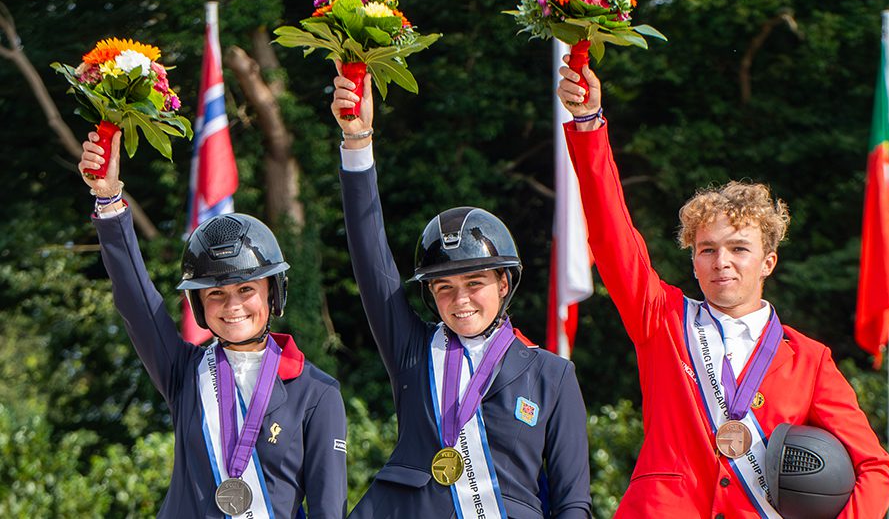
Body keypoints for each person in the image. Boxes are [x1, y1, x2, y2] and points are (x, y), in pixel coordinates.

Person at [554, 62, 889, 518]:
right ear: (693, 262)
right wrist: (588, 123)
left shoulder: (809, 361)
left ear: (768, 262)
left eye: (738, 248)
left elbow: (875, 467)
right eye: (707, 250)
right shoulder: (661, 319)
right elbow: (612, 234)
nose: (722, 261)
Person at [332, 65, 592, 519]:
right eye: (444, 288)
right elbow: (371, 259)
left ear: (504, 284)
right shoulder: (413, 351)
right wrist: (358, 141)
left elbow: (573, 500)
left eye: (474, 284)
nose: (460, 300)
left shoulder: (552, 375)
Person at [79, 130, 348, 518]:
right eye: (216, 294)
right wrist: (108, 199)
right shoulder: (184, 372)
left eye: (246, 289)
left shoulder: (318, 394)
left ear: (273, 293)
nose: (232, 306)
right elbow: (137, 302)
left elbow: (328, 509)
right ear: (200, 305)